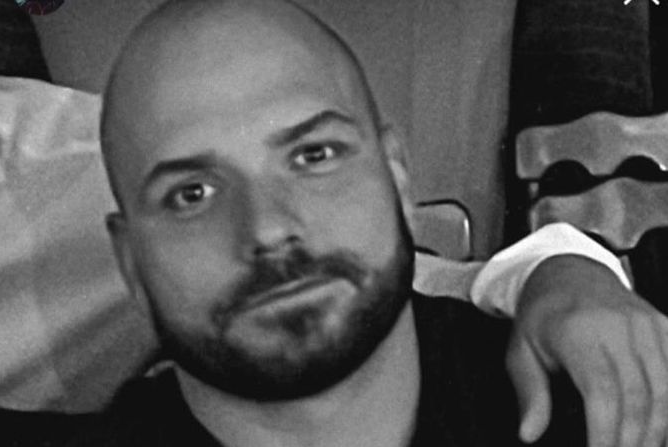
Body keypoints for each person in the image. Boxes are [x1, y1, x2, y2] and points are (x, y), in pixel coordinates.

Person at [64, 0, 668, 446]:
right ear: (130, 264)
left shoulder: (615, 409)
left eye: (314, 155)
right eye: (191, 194)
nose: (268, 230)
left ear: (398, 178)